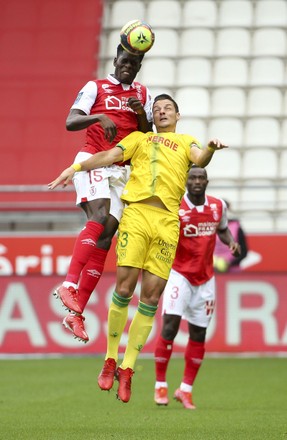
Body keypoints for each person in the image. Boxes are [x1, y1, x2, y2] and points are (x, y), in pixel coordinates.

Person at [48, 94, 228, 403]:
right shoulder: (140, 139)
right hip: (137, 216)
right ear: (153, 116)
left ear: (177, 115)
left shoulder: (186, 142)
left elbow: (200, 160)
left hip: (168, 222)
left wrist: (210, 147)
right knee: (124, 289)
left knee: (151, 297)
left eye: (167, 108)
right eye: (157, 109)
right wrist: (75, 167)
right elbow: (107, 157)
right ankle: (109, 359)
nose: (161, 112)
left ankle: (127, 368)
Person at [54, 44, 153, 343]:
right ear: (115, 60)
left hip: (122, 170)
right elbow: (71, 121)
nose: (128, 66)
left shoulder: (143, 94)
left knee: (107, 235)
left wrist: (139, 114)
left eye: (134, 63)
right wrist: (98, 118)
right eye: (125, 61)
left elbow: (147, 136)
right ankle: (68, 284)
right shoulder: (94, 87)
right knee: (99, 214)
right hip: (92, 158)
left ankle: (76, 313)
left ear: (138, 66)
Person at [154, 167, 241, 409]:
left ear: (206, 181)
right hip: (179, 275)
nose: (197, 181)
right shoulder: (175, 207)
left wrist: (231, 243)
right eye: (192, 178)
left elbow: (222, 228)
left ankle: (186, 390)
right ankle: (160, 385)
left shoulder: (218, 206)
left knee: (198, 334)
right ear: (185, 181)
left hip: (206, 279)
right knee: (169, 327)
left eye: (201, 178)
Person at [213, 200, 248, 272]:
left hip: (233, 271)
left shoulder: (236, 227)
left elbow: (243, 251)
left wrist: (229, 263)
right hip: (211, 270)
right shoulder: (208, 226)